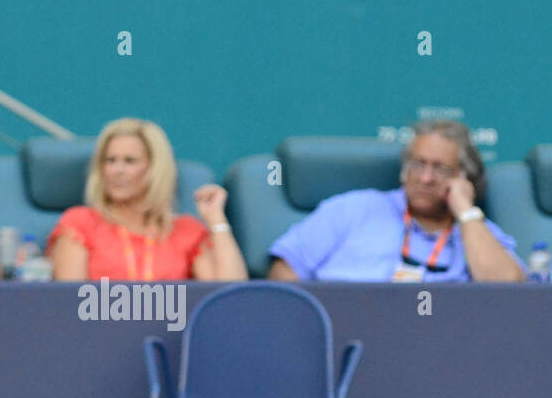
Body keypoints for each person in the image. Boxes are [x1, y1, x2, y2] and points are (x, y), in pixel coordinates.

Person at [267, 119, 526, 283]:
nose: (425, 178)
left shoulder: (477, 231)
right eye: (418, 165)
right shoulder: (353, 209)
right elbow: (285, 272)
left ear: (463, 177)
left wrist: (465, 211)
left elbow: (509, 293)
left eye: (440, 169)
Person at [49, 118, 248, 281]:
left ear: (155, 169)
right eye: (110, 160)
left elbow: (230, 296)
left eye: (130, 161)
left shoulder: (186, 231)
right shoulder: (81, 223)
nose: (117, 170)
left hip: (170, 329)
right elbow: (70, 304)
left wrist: (216, 220)